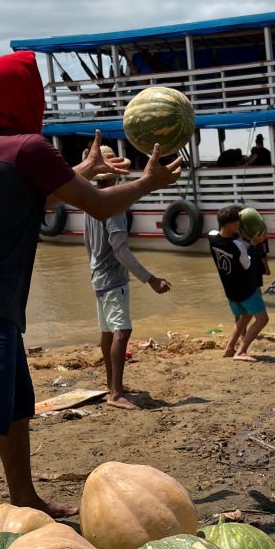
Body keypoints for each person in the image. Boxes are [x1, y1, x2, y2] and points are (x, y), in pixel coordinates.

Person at [0, 50, 182, 549]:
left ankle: (24, 495)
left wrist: (83, 168)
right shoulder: (29, 147)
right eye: (35, 87)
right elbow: (103, 204)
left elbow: (35, 199)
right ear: (25, 96)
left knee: (16, 408)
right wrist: (149, 184)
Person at [83, 154, 171, 410]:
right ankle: (116, 393)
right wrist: (150, 279)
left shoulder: (90, 203)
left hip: (98, 275)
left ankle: (112, 384)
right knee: (122, 331)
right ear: (115, 173)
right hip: (112, 277)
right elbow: (121, 250)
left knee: (108, 333)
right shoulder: (114, 206)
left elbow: (89, 244)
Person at [209, 205, 269, 361]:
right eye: (237, 224)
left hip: (230, 290)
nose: (240, 226)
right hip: (246, 289)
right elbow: (247, 265)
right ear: (230, 225)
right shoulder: (239, 246)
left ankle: (229, 348)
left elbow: (221, 235)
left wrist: (240, 237)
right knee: (262, 319)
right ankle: (241, 351)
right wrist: (254, 243)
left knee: (244, 317)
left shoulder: (212, 237)